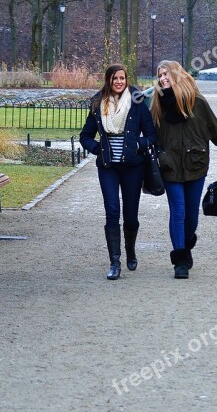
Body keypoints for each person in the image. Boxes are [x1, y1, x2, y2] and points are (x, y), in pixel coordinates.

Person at [149, 60, 217, 279]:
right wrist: (159, 153)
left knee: (191, 215)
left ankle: (185, 244)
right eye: (160, 76)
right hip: (170, 166)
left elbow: (215, 130)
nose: (162, 79)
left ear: (177, 76)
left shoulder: (197, 102)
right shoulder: (157, 103)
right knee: (177, 211)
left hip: (196, 164)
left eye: (166, 75)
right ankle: (180, 260)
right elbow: (152, 135)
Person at [80, 64, 157, 280]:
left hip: (133, 166)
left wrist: (138, 145)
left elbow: (152, 136)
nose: (119, 82)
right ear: (109, 80)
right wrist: (98, 150)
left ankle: (130, 250)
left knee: (130, 216)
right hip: (108, 167)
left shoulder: (138, 101)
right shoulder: (98, 102)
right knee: (112, 211)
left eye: (122, 78)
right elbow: (85, 136)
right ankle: (115, 262)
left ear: (126, 79)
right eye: (115, 78)